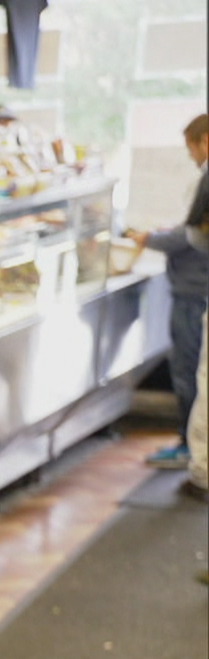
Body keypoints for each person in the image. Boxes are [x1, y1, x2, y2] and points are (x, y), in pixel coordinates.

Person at [124, 113, 209, 471]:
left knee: (188, 371)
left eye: (190, 146)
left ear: (203, 141)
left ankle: (190, 448)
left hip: (194, 289)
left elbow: (193, 234)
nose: (189, 155)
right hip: (195, 287)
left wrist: (151, 238)